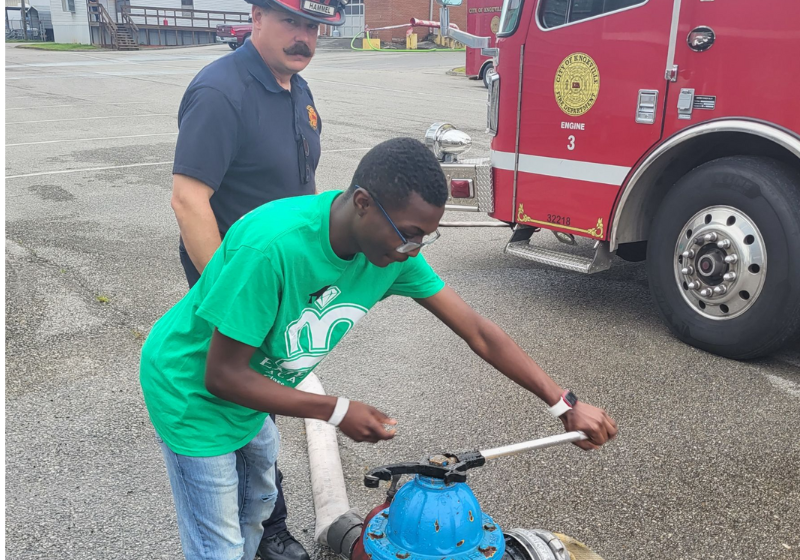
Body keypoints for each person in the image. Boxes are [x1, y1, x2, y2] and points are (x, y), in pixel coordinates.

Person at [142, 138, 618, 560]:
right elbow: (221, 376)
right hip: (192, 394)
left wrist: (564, 403)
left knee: (256, 510)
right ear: (364, 203)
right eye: (408, 232)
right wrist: (337, 410)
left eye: (425, 236)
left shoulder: (392, 258)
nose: (414, 248)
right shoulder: (272, 247)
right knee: (217, 546)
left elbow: (478, 331)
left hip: (251, 394)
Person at [168, 0, 346, 558]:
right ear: (256, 18)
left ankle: (262, 522)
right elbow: (189, 198)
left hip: (282, 284)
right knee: (243, 395)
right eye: (292, 22)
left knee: (264, 403)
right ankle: (265, 531)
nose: (305, 38)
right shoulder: (222, 92)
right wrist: (228, 291)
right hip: (236, 283)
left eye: (314, 28)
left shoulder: (297, 90)